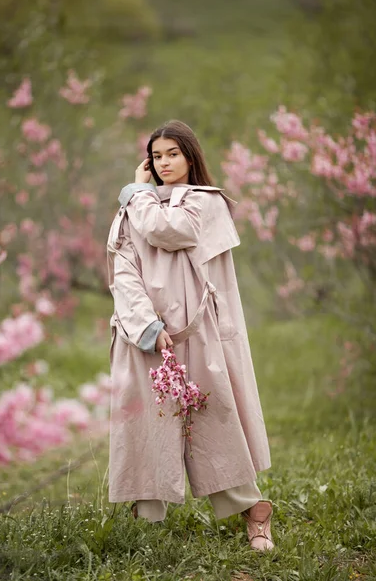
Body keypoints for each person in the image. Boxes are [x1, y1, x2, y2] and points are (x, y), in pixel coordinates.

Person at [106, 120, 274, 551]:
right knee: (147, 423)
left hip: (199, 333)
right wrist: (146, 324)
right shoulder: (133, 208)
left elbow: (170, 230)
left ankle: (253, 510)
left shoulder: (204, 203)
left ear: (190, 156)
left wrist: (137, 191)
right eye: (157, 155)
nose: (164, 163)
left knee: (214, 417)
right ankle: (145, 527)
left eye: (173, 154)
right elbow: (123, 269)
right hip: (146, 335)